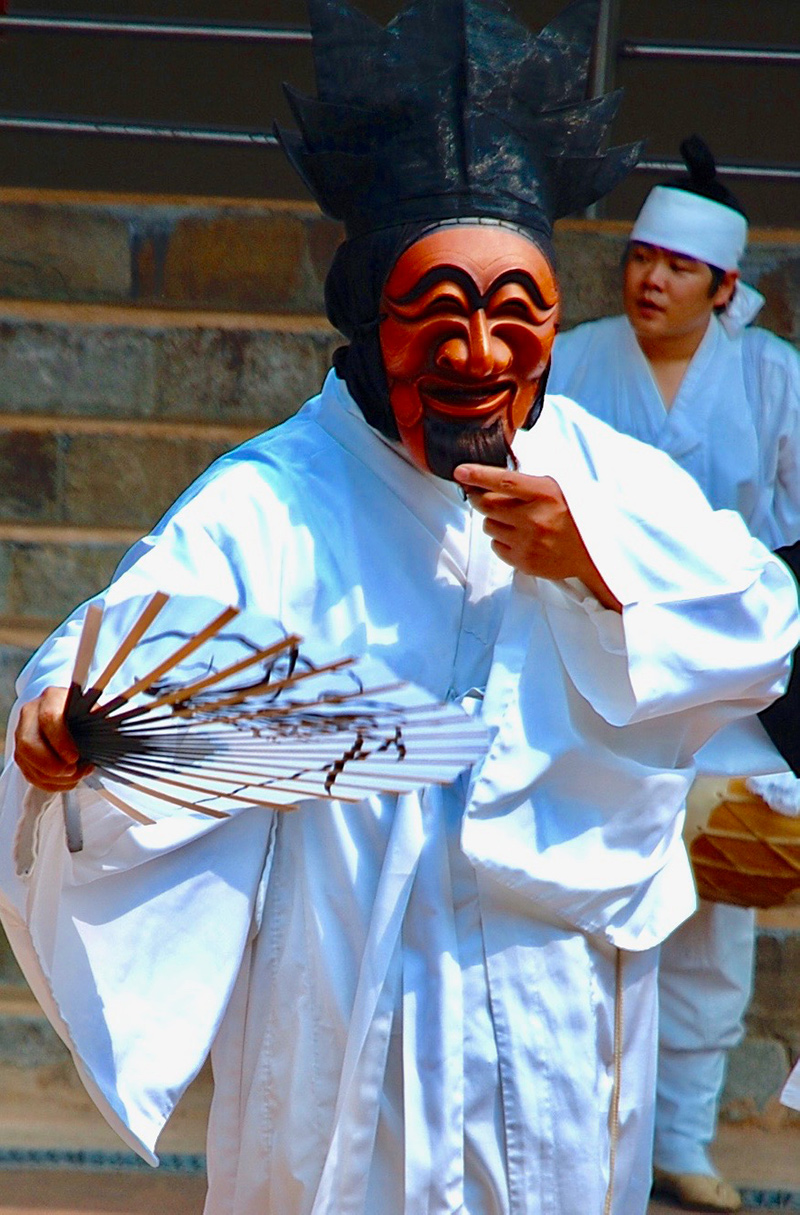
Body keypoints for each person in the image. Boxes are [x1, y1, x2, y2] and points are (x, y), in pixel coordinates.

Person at [0, 6, 798, 1214]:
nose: (479, 354)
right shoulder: (276, 500)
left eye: (515, 316)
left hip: (556, 1002)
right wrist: (64, 724)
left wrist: (596, 569)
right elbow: (114, 651)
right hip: (349, 994)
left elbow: (760, 621)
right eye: (440, 319)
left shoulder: (605, 478)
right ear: (373, 326)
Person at [549, 135, 800, 1213]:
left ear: (723, 285)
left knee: (713, 923)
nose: (649, 280)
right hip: (586, 660)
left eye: (676, 267)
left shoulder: (774, 379)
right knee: (587, 909)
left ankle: (679, 1144)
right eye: (638, 258)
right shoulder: (567, 358)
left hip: (733, 673)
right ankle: (580, 1144)